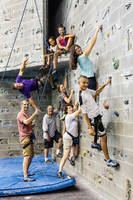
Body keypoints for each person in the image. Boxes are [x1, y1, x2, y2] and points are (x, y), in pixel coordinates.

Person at [77, 75, 119, 167]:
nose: (86, 84)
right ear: (78, 83)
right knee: (104, 137)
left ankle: (94, 143)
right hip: (94, 119)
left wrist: (105, 84)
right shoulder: (81, 96)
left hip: (97, 116)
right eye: (83, 82)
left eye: (87, 82)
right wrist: (90, 128)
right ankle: (108, 160)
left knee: (99, 134)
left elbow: (96, 92)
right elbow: (84, 113)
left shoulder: (87, 91)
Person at [69, 25, 102, 91]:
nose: (78, 49)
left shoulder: (79, 59)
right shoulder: (82, 57)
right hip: (89, 79)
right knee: (92, 98)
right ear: (75, 53)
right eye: (76, 50)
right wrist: (97, 31)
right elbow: (92, 44)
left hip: (87, 79)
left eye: (78, 47)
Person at [17, 100, 39, 182]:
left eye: (27, 104)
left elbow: (29, 124)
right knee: (27, 156)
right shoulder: (21, 114)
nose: (26, 106)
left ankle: (26, 172)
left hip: (29, 136)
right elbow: (26, 121)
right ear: (21, 105)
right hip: (25, 137)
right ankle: (25, 176)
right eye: (24, 104)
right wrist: (34, 114)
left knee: (31, 155)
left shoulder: (26, 114)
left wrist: (33, 123)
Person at [57, 104, 81, 179]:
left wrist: (76, 105)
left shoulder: (73, 116)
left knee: (76, 153)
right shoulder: (68, 117)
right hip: (68, 137)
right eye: (69, 108)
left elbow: (75, 110)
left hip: (75, 137)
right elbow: (79, 111)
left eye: (71, 108)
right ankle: (59, 171)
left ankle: (71, 158)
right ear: (66, 110)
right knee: (65, 155)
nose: (71, 109)